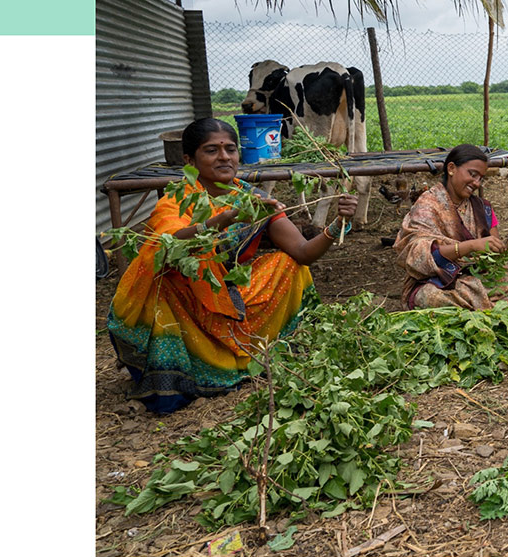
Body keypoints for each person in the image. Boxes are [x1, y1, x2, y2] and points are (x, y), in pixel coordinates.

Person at [107, 117, 336, 414]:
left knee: (288, 264)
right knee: (163, 283)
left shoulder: (254, 199)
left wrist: (336, 226)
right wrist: (221, 221)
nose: (224, 157)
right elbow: (170, 246)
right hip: (188, 299)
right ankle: (176, 378)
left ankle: (265, 353)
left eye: (230, 149)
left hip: (231, 293)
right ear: (189, 160)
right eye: (212, 150)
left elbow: (303, 252)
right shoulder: (179, 200)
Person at [394, 144, 508, 310]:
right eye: (472, 175)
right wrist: (471, 246)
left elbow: (493, 263)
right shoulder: (428, 206)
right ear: (451, 168)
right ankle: (497, 302)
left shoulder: (482, 208)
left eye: (481, 178)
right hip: (442, 283)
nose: (477, 183)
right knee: (429, 296)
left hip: (479, 280)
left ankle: (486, 302)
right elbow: (419, 259)